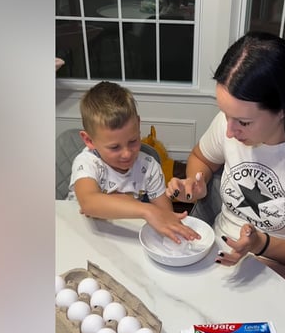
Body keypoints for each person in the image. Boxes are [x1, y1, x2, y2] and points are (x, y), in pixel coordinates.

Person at [167, 32, 285, 304]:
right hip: (219, 259)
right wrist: (196, 180)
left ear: (284, 107)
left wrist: (262, 244)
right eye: (225, 116)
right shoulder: (232, 123)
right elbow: (200, 157)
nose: (229, 131)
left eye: (243, 122)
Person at [68, 81, 199, 244]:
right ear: (89, 140)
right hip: (80, 236)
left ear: (138, 124)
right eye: (114, 147)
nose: (127, 154)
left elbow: (165, 213)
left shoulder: (149, 166)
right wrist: (146, 210)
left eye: (133, 141)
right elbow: (88, 203)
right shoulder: (87, 162)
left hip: (123, 238)